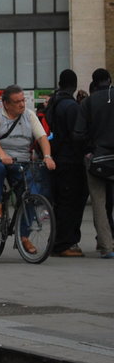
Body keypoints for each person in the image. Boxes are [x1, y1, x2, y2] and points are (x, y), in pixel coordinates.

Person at [0, 85, 55, 234]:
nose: (21, 104)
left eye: (23, 100)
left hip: (20, 160)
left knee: (31, 193)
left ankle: (24, 236)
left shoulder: (29, 115)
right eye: (17, 101)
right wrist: (2, 155)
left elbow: (42, 137)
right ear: (6, 103)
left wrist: (47, 156)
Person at [45, 70, 86, 257]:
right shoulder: (71, 106)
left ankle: (57, 241)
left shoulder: (53, 103)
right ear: (74, 84)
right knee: (72, 202)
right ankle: (65, 243)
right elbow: (77, 135)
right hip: (70, 160)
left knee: (60, 202)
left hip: (56, 158)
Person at [74, 68, 114, 259]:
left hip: (98, 158)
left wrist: (89, 150)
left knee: (99, 202)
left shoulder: (88, 103)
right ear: (109, 80)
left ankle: (106, 246)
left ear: (94, 83)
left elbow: (78, 134)